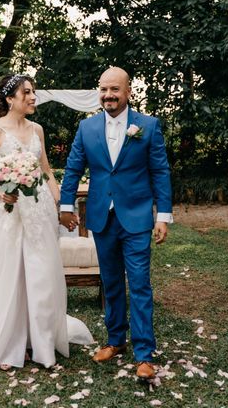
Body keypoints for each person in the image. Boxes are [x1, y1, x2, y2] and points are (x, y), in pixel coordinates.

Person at [0, 74, 93, 371]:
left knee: (40, 270)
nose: (32, 97)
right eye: (26, 92)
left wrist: (61, 206)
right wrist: (1, 193)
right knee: (10, 272)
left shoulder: (37, 129)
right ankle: (8, 339)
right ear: (9, 99)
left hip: (38, 210)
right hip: (7, 211)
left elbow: (47, 172)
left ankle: (38, 337)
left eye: (33, 92)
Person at [59, 66, 173, 380]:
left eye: (115, 89)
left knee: (139, 284)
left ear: (128, 92)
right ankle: (115, 341)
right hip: (101, 217)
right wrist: (66, 204)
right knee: (110, 283)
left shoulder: (148, 126)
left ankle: (145, 354)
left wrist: (163, 215)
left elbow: (160, 172)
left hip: (136, 217)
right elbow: (73, 168)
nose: (109, 95)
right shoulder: (87, 127)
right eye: (104, 89)